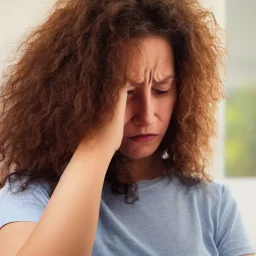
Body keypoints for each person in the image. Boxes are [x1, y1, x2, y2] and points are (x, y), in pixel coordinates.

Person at [0, 0, 255, 255]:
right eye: (128, 93)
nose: (146, 116)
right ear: (79, 95)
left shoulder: (214, 205)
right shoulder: (30, 195)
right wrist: (97, 143)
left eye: (161, 90)